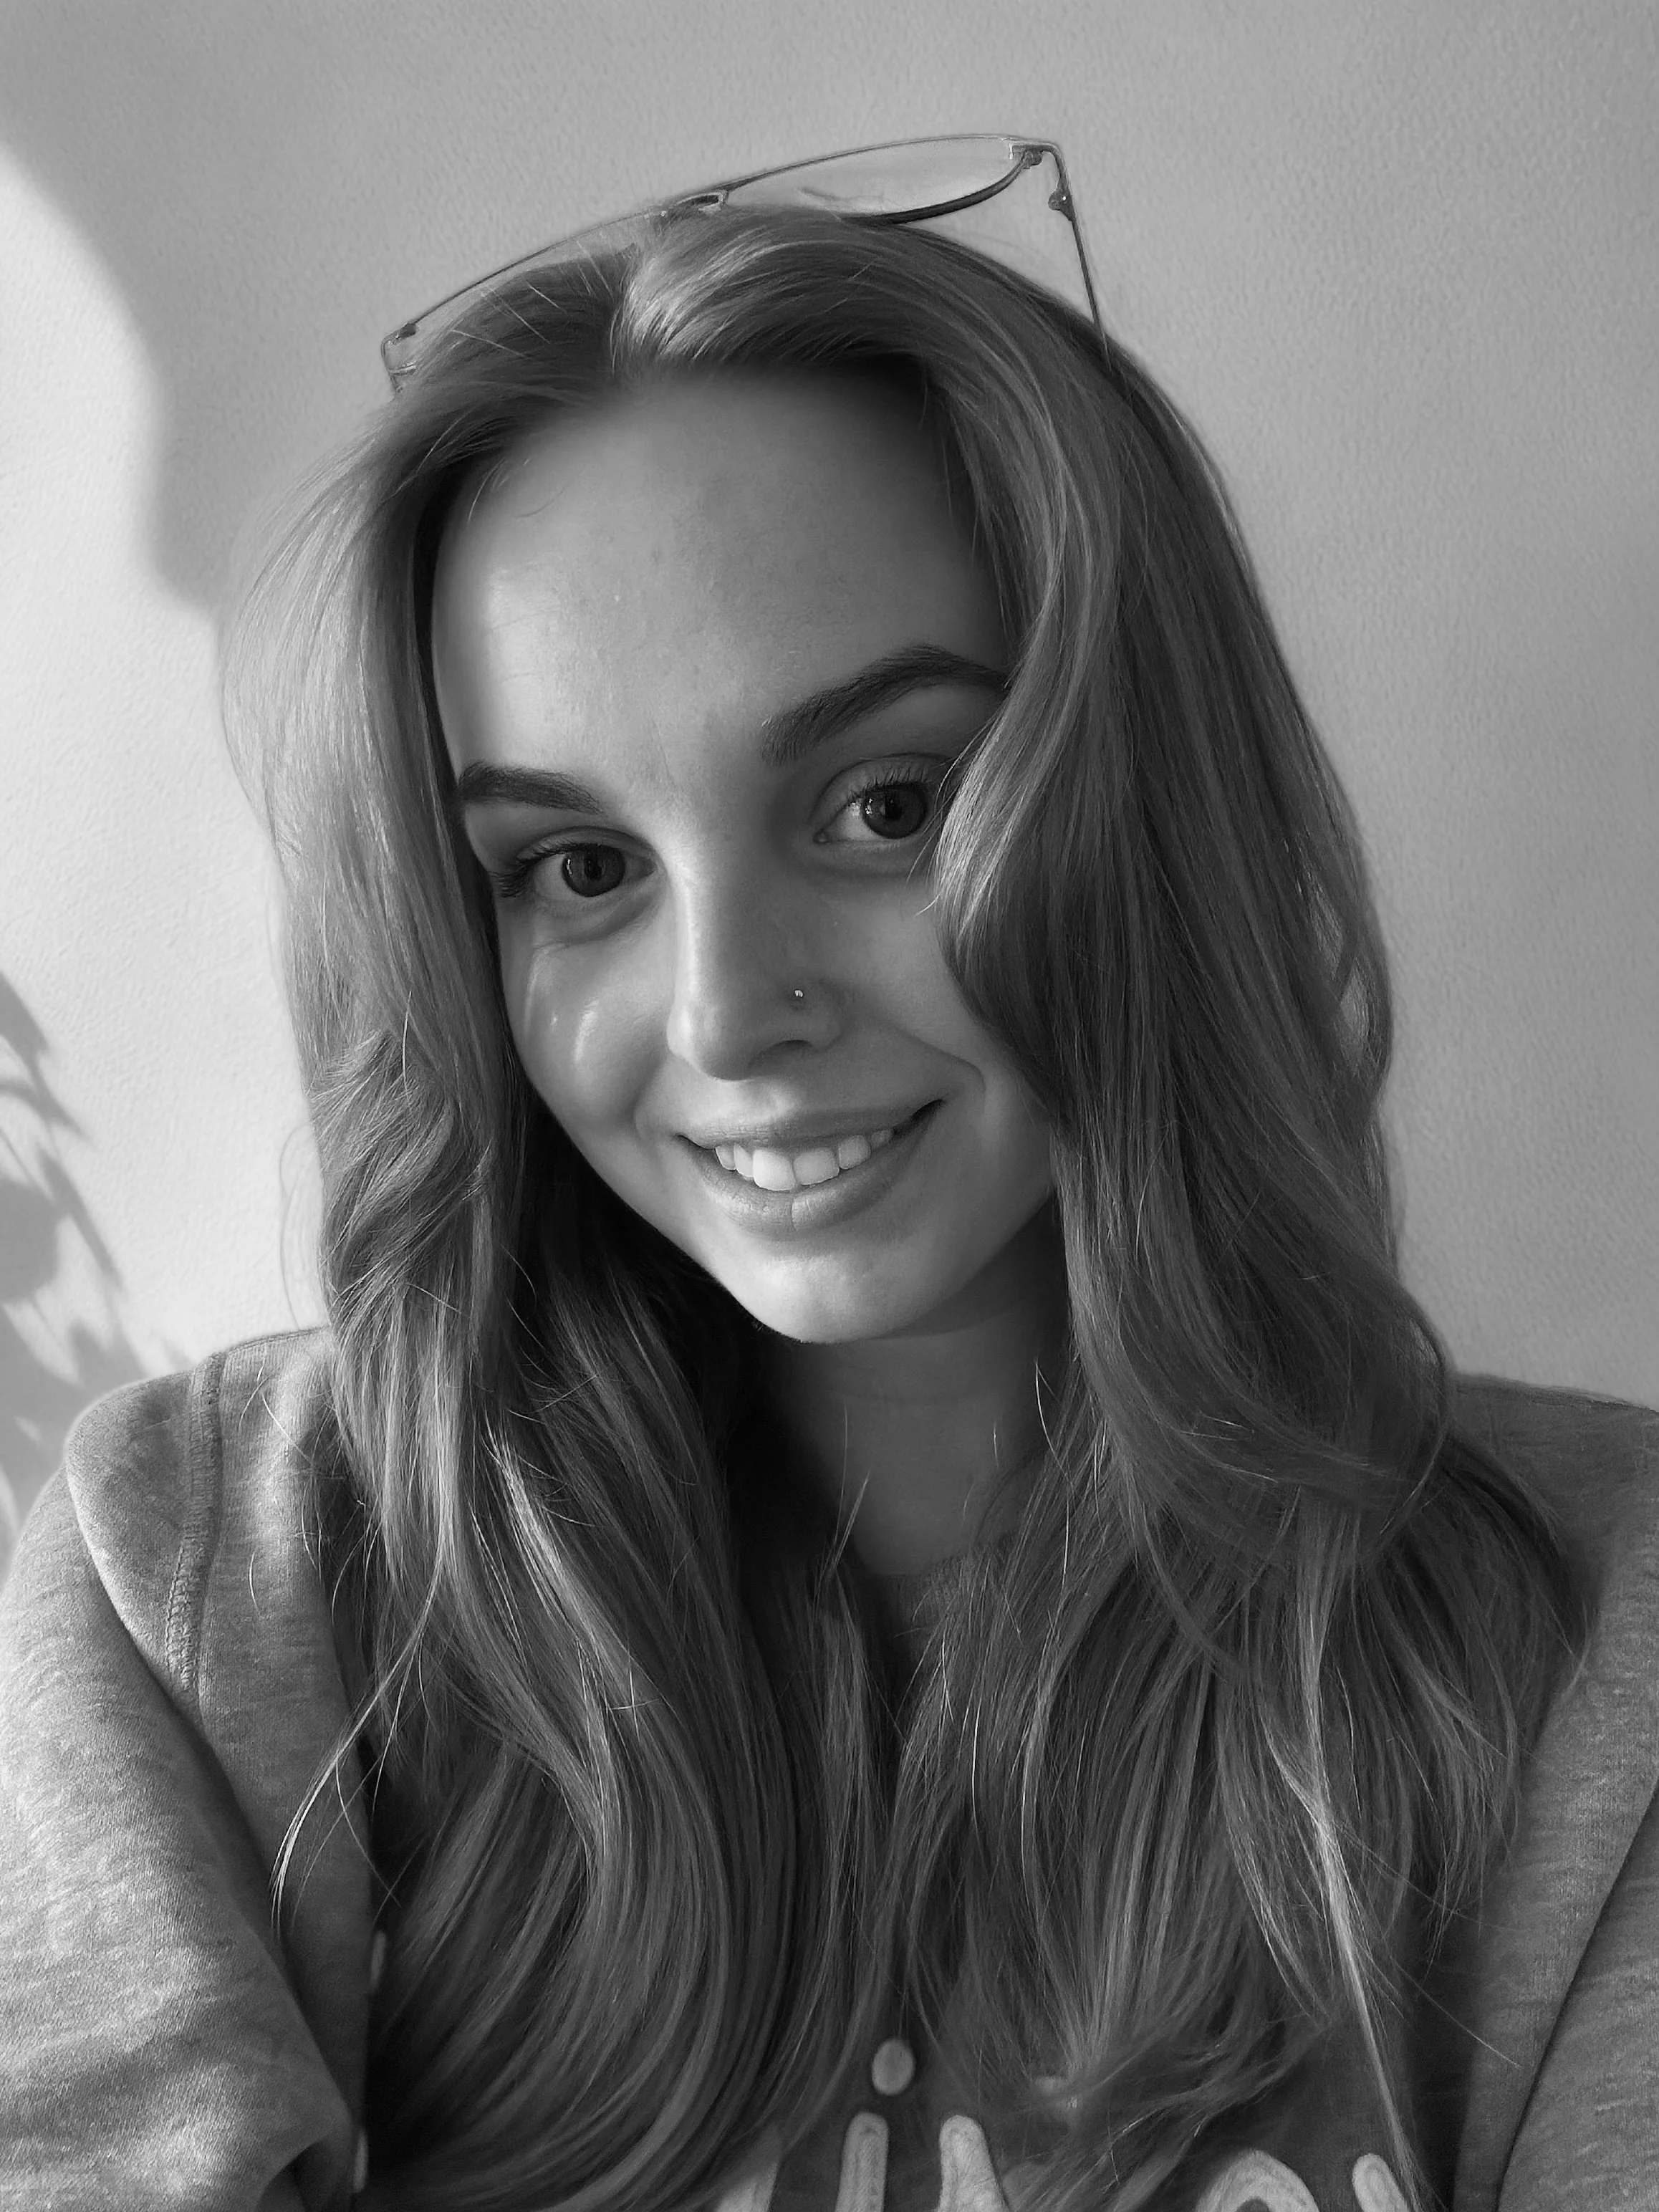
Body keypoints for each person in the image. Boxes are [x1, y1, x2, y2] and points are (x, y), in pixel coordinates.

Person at [1, 140, 1655, 2212]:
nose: (721, 1009)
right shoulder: (210, 1595)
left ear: (1136, 799)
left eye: (885, 804)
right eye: (577, 869)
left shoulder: (1602, 1660)